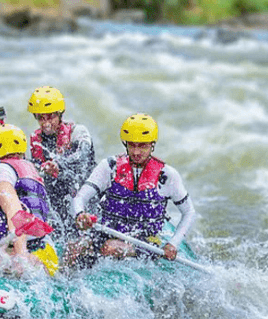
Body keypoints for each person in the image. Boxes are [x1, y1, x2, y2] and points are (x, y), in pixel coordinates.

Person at [71, 113, 196, 264]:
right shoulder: (110, 167)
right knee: (74, 248)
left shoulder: (167, 175)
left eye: (142, 146)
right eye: (132, 145)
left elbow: (189, 212)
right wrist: (80, 214)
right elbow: (80, 197)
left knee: (110, 248)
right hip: (109, 232)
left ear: (152, 145)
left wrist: (173, 244)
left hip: (147, 242)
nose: (136, 152)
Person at [0, 108, 59, 276]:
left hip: (24, 257)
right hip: (47, 257)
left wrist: (21, 257)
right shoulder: (31, 171)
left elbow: (15, 211)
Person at [26, 86, 96, 235]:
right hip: (58, 202)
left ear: (60, 114)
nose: (45, 123)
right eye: (40, 117)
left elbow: (82, 157)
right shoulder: (36, 139)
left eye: (50, 116)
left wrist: (58, 165)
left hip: (84, 196)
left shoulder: (78, 132)